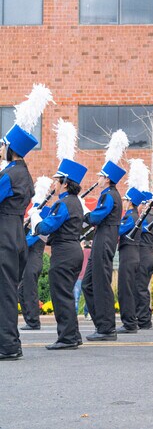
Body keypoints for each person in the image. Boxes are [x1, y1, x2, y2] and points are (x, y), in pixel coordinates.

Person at [32, 159, 87, 350]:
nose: (54, 184)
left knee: (61, 295)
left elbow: (49, 226)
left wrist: (36, 221)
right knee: (66, 294)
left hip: (64, 253)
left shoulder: (63, 203)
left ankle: (67, 338)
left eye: (57, 180)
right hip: (72, 251)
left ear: (65, 182)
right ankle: (74, 335)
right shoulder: (76, 202)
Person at [0, 125, 37, 360]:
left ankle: (8, 345)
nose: (1, 148)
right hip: (16, 234)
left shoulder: (9, 174)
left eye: (3, 145)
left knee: (4, 293)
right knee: (8, 291)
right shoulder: (23, 173)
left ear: (10, 148)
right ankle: (11, 342)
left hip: (4, 233)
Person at [81, 160, 125, 341]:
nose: (98, 178)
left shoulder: (110, 195)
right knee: (88, 284)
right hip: (101, 238)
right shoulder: (108, 194)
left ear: (107, 179)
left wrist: (84, 213)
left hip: (105, 238)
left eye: (100, 175)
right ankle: (101, 323)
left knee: (101, 283)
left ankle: (107, 328)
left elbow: (99, 215)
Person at [115, 187, 145, 334]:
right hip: (131, 254)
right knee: (129, 288)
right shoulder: (133, 216)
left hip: (129, 254)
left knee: (125, 290)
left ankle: (129, 323)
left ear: (130, 202)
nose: (124, 202)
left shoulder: (130, 217)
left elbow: (118, 231)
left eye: (125, 200)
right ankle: (130, 321)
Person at [19, 209, 48, 331]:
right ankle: (29, 319)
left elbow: (26, 243)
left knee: (30, 291)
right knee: (21, 291)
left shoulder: (38, 232)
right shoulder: (31, 231)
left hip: (33, 262)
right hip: (29, 262)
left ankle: (34, 321)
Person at [135, 192, 153, 329]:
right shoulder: (148, 217)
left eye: (141, 203)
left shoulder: (147, 218)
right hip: (145, 254)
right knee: (141, 287)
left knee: (141, 288)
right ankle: (143, 316)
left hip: (144, 254)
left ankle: (144, 319)